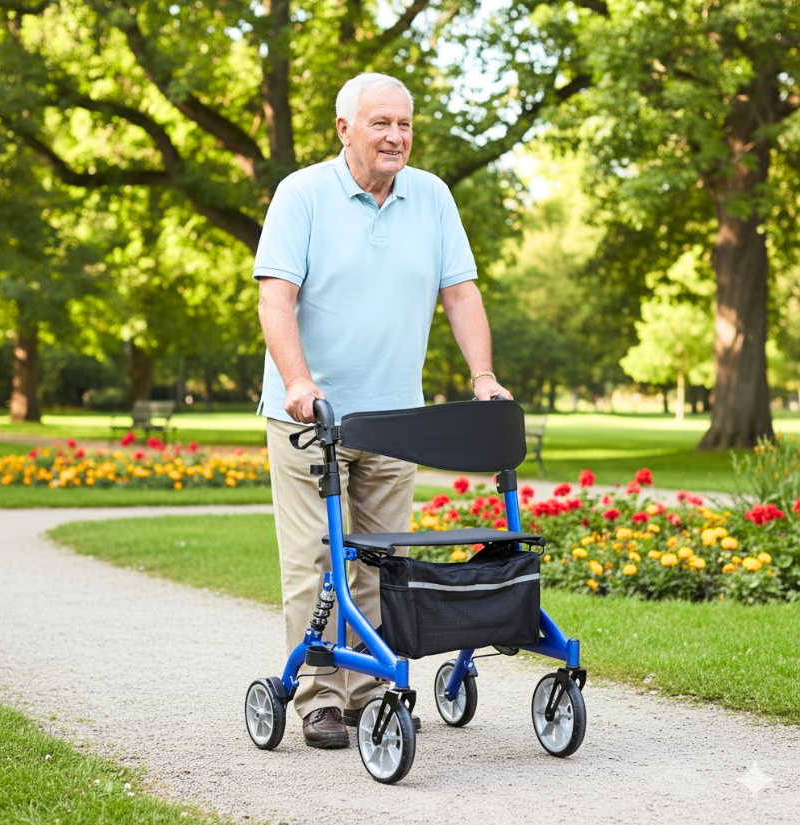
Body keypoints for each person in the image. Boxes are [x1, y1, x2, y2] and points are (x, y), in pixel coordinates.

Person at [254, 72, 511, 750]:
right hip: (314, 418)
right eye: (380, 124)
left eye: (404, 123)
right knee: (317, 562)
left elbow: (460, 293)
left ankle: (368, 690)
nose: (395, 135)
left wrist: (482, 376)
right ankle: (317, 698)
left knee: (378, 561)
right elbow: (275, 298)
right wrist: (297, 380)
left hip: (395, 420)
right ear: (344, 130)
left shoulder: (431, 196)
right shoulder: (301, 193)